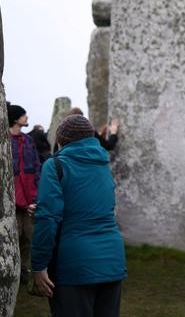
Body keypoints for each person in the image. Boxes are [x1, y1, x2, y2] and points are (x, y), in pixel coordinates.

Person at [31, 114, 127, 317]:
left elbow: (47, 220)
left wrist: (38, 266)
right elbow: (91, 206)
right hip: (112, 259)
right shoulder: (102, 164)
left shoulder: (55, 165)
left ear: (61, 139)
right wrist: (43, 208)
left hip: (75, 264)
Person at [8, 102, 40, 285]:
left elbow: (36, 166)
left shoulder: (28, 140)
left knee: (29, 238)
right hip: (12, 198)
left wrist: (37, 189)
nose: (26, 117)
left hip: (29, 197)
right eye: (23, 115)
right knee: (14, 237)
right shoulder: (2, 140)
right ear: (15, 118)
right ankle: (12, 273)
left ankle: (24, 273)